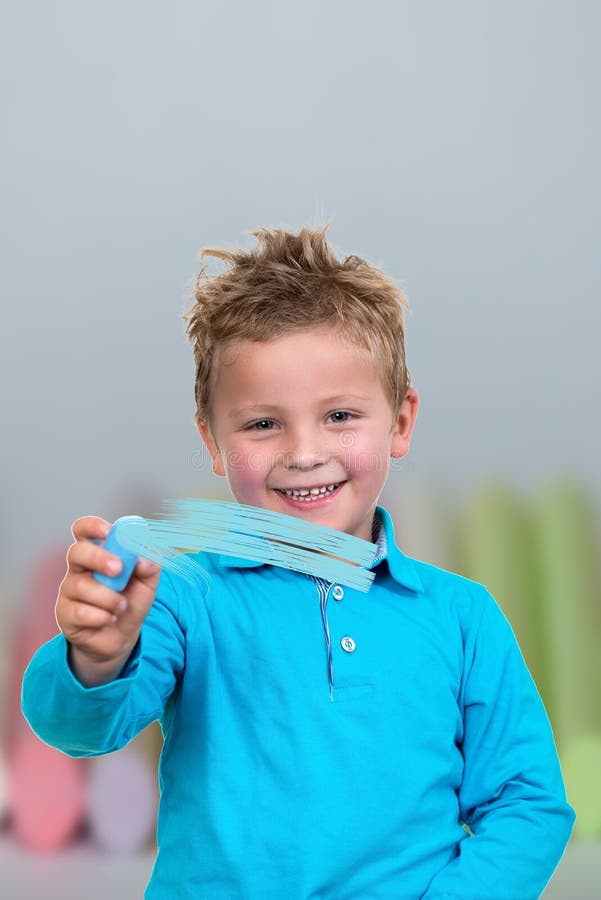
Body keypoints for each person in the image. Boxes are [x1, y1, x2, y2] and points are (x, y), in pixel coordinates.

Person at [21, 224, 575, 898]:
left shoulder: (462, 617)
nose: (304, 452)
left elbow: (527, 803)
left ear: (399, 422)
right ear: (214, 441)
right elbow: (78, 729)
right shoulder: (181, 597)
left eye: (340, 415)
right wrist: (97, 656)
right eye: (262, 423)